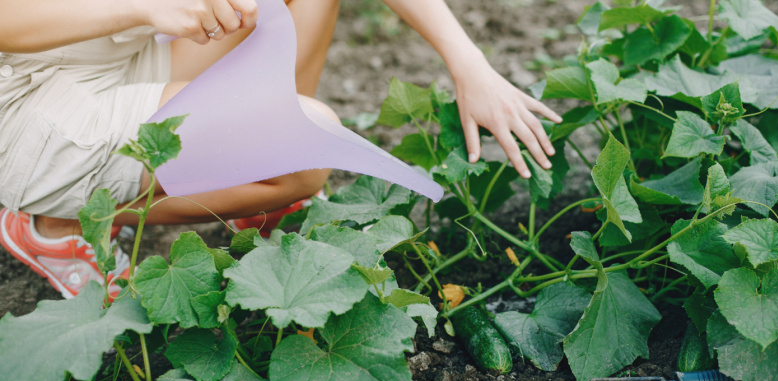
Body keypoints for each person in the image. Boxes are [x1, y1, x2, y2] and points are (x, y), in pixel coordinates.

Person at [0, 0, 562, 299]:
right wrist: (146, 6)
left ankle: (254, 183)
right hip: (34, 109)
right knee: (308, 148)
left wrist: (470, 65)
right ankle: (56, 224)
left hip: (114, 55)